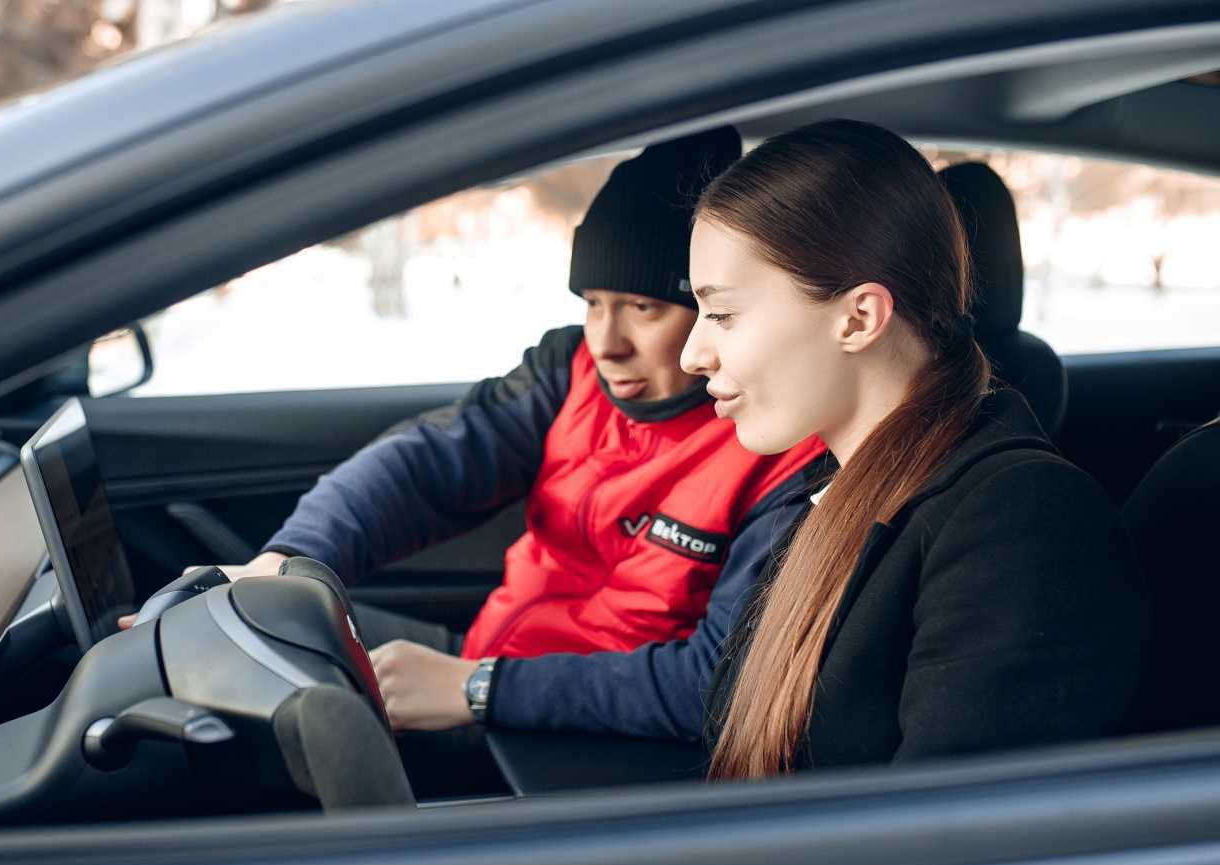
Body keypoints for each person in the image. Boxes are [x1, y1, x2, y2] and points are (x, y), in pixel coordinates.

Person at [402, 120, 1151, 786]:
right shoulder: (825, 491)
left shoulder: (1019, 528)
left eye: (722, 313)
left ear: (858, 317)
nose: (694, 353)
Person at [202, 127, 826, 781]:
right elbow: (424, 467)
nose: (607, 342)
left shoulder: (778, 449)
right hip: (486, 669)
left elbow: (715, 684)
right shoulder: (571, 370)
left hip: (578, 744)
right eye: (592, 305)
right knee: (250, 640)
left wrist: (481, 689)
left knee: (232, 757)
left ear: (710, 314)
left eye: (643, 308)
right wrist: (293, 560)